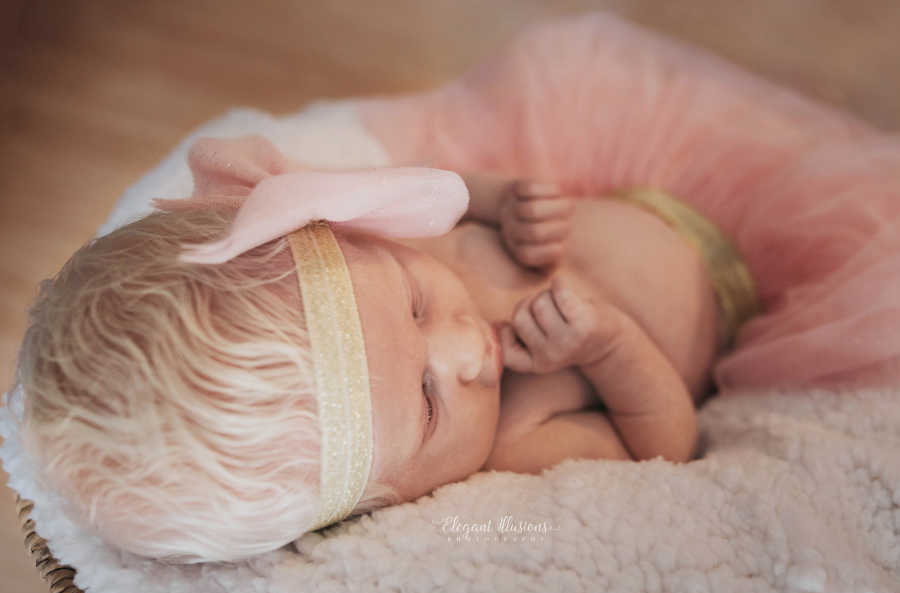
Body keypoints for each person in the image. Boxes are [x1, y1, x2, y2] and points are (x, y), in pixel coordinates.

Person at [14, 13, 900, 565]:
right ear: (388, 500)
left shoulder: (422, 247)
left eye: (412, 301)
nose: (467, 346)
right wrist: (608, 344)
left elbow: (454, 190)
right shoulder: (516, 442)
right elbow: (666, 438)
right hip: (740, 303)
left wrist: (512, 203)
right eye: (430, 403)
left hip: (652, 195)